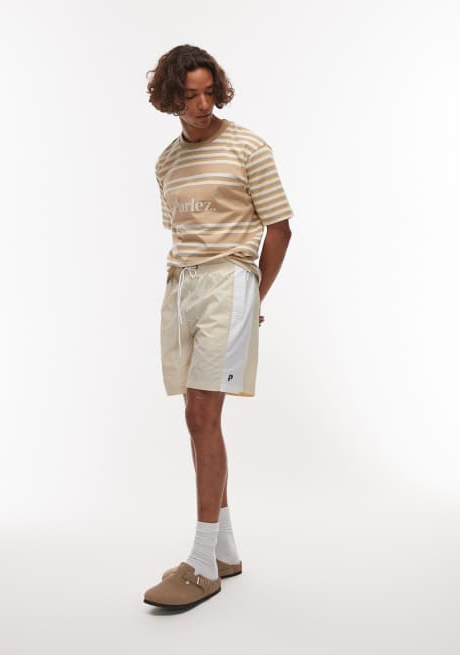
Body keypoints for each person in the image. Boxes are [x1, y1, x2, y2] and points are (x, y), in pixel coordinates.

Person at [143, 44, 293, 610]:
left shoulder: (249, 147)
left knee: (203, 415)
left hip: (230, 280)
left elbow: (279, 227)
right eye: (189, 96)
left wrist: (253, 295)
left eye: (209, 92)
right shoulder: (166, 162)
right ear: (170, 99)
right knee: (195, 415)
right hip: (182, 287)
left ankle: (201, 562)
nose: (203, 104)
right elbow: (180, 231)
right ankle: (224, 552)